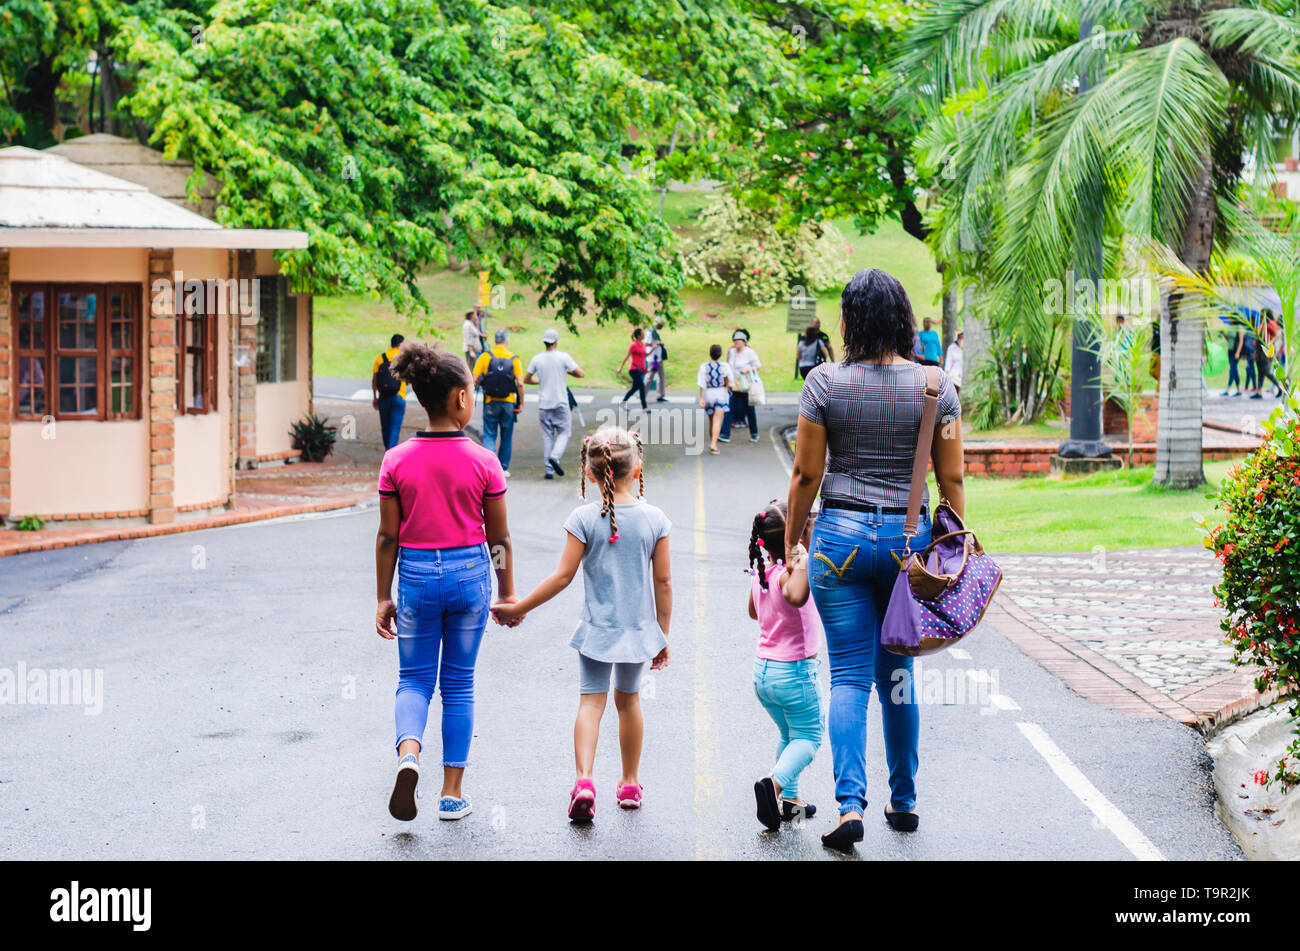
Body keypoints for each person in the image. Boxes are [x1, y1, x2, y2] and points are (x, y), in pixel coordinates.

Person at [784, 267, 965, 853]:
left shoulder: (823, 384)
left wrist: (794, 541)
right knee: (898, 674)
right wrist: (953, 543)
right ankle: (904, 800)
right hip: (908, 545)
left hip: (838, 541)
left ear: (849, 320)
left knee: (848, 677)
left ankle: (849, 806)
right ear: (903, 317)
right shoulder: (937, 387)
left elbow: (807, 474)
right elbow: (952, 476)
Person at [491, 426, 672, 822]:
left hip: (596, 632)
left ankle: (585, 781)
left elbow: (561, 577)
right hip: (638, 632)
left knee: (591, 703)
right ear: (637, 468)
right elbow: (663, 582)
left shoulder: (584, 518)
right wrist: (662, 635)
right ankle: (628, 784)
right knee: (629, 702)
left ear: (590, 474)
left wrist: (519, 606)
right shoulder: (655, 519)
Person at [374, 342, 517, 823]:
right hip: (468, 578)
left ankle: (408, 755)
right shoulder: (485, 460)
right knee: (458, 684)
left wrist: (381, 597)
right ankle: (451, 795)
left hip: (415, 576)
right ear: (460, 399)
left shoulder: (396, 460)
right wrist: (506, 592)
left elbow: (387, 537)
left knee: (414, 680)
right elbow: (499, 537)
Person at [747, 500, 824, 831]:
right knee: (809, 736)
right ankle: (773, 784)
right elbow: (796, 595)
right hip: (794, 673)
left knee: (788, 733)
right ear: (795, 538)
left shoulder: (762, 573)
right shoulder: (791, 577)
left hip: (763, 673)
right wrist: (803, 560)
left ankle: (789, 801)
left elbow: (753, 612)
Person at [525, 328, 585, 479]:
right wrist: (567, 371)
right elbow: (580, 373)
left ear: (544, 342)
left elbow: (526, 378)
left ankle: (549, 470)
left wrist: (540, 381)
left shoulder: (537, 358)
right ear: (556, 342)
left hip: (544, 404)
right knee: (564, 432)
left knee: (547, 435)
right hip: (561, 402)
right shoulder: (563, 357)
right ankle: (555, 456)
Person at [473, 328, 525, 477]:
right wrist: (521, 402)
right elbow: (520, 383)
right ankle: (503, 468)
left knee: (489, 434)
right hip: (508, 402)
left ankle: (490, 467)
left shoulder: (485, 357)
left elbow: (474, 380)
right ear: (507, 341)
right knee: (506, 435)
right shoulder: (514, 358)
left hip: (490, 401)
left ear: (495, 340)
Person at [724, 329, 762, 443]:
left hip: (745, 384)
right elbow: (728, 366)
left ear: (743, 341)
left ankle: (754, 433)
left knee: (749, 409)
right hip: (733, 384)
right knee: (729, 409)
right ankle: (725, 434)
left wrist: (747, 369)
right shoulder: (731, 352)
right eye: (734, 340)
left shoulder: (750, 352)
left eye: (738, 341)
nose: (735, 343)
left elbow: (758, 366)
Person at [697, 343, 734, 455]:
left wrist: (701, 398)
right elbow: (731, 381)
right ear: (720, 354)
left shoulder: (704, 366)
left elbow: (701, 384)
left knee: (712, 420)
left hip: (709, 393)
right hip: (721, 393)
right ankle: (713, 444)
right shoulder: (725, 366)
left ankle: (713, 440)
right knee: (718, 420)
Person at [372, 333, 407, 450]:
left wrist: (375, 397)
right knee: (395, 428)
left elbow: (375, 380)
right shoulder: (403, 358)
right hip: (399, 396)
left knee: (385, 427)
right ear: (401, 345)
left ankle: (388, 451)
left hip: (383, 397)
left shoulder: (381, 358)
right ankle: (390, 453)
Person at [618, 328, 650, 411]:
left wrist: (653, 348)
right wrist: (620, 367)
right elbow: (626, 357)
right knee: (642, 386)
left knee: (634, 388)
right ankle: (644, 407)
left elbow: (644, 355)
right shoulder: (633, 345)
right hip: (634, 369)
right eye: (643, 334)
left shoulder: (643, 344)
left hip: (641, 370)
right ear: (639, 336)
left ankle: (623, 403)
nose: (644, 335)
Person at [646, 317, 669, 402]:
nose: (661, 327)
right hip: (653, 359)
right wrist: (657, 344)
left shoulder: (655, 332)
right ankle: (643, 394)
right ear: (657, 324)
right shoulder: (650, 332)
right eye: (660, 325)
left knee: (661, 376)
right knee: (650, 377)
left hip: (658, 358)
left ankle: (660, 395)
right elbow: (646, 343)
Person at [1224, 327, 1244, 397]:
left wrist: (1238, 352)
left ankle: (1227, 389)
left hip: (1236, 351)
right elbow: (1229, 340)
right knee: (1234, 370)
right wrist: (1224, 334)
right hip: (1230, 351)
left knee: (1232, 369)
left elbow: (1241, 341)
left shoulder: (1239, 328)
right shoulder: (1230, 328)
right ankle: (1239, 390)